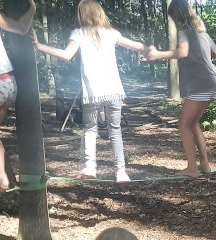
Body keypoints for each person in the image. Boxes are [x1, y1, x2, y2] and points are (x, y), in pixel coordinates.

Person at [32, 0, 151, 183]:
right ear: (100, 13)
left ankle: (90, 167)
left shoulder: (78, 33)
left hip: (93, 91)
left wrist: (40, 46)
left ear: (82, 15)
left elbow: (66, 55)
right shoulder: (112, 33)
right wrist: (150, 49)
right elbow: (137, 45)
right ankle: (121, 172)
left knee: (90, 129)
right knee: (115, 130)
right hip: (113, 91)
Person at [145, 0, 216, 179]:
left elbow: (183, 52)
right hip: (212, 83)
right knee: (193, 122)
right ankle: (204, 164)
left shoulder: (184, 33)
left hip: (200, 85)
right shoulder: (203, 35)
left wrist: (158, 54)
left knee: (183, 123)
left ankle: (192, 168)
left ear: (176, 16)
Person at [0, 0, 36, 192]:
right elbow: (22, 28)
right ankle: (2, 177)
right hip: (8, 82)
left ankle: (1, 176)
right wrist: (32, 8)